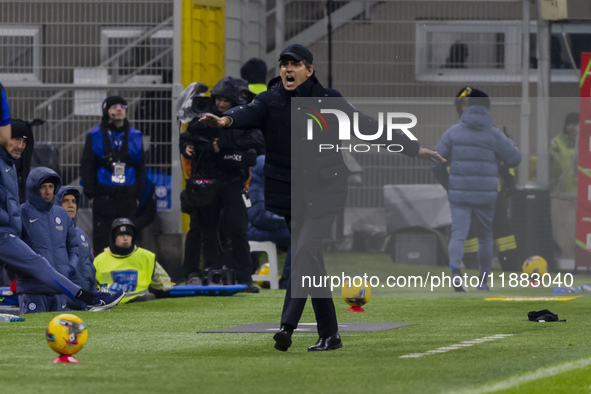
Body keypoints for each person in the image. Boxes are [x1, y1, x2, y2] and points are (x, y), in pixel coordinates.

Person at [200, 44, 445, 351]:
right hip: (291, 193)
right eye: (284, 64)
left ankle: (286, 326)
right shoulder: (269, 100)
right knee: (311, 260)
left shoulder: (329, 100)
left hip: (326, 191)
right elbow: (246, 113)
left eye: (295, 64)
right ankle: (330, 333)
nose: (288, 69)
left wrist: (414, 149)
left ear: (309, 70)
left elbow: (368, 127)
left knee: (303, 250)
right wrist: (225, 120)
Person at [0, 81, 124, 311]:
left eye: (23, 141)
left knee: (39, 264)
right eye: (14, 138)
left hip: (6, 235)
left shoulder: (9, 166)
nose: (18, 145)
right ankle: (89, 298)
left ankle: (87, 297)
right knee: (39, 263)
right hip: (4, 234)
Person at [432, 87, 522, 291]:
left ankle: (456, 274)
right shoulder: (495, 134)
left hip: (460, 194)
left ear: (467, 108)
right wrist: (510, 145)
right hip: (487, 196)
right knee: (485, 236)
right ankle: (483, 280)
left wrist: (449, 184)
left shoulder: (452, 132)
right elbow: (515, 159)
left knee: (458, 234)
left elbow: (435, 160)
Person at [180, 76, 263, 292]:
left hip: (232, 182)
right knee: (206, 230)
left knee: (237, 229)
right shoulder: (203, 113)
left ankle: (245, 278)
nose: (220, 104)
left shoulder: (245, 119)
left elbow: (253, 152)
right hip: (207, 182)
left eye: (225, 100)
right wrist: (187, 146)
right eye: (218, 99)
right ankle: (211, 275)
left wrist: (225, 149)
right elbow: (188, 137)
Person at [80, 95, 146, 255]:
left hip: (127, 196)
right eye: (114, 106)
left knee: (127, 238)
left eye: (122, 107)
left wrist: (137, 194)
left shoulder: (135, 135)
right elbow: (87, 165)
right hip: (104, 197)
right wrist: (91, 194)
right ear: (106, 111)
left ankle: (127, 274)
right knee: (102, 238)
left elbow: (140, 167)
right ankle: (102, 275)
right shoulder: (95, 135)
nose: (119, 109)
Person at [17, 167, 79, 314]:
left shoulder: (62, 214)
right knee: (31, 333)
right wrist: (24, 272)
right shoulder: (22, 212)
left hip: (59, 288)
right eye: (43, 187)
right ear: (33, 188)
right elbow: (12, 247)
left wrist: (70, 267)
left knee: (59, 334)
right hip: (33, 289)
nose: (48, 191)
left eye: (51, 187)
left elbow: (73, 245)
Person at [94, 218, 173, 303]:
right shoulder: (99, 260)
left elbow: (164, 285)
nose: (125, 238)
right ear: (113, 237)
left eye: (129, 234)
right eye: (121, 234)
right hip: (110, 304)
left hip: (142, 302)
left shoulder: (147, 257)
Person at [247, 155, 291, 289]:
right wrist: (286, 221)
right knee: (297, 237)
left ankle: (290, 278)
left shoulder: (266, 185)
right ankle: (288, 280)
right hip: (253, 230)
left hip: (263, 227)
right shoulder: (256, 187)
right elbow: (259, 216)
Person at [57, 186, 97, 311]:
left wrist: (93, 296)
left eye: (74, 202)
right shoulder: (53, 233)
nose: (71, 205)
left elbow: (91, 267)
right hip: (64, 303)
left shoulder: (82, 235)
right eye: (66, 201)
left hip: (85, 302)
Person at [550, 112, 579, 193]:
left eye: (574, 124)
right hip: (562, 185)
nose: (571, 127)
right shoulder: (556, 142)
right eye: (569, 124)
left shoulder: (586, 143)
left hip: (580, 186)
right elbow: (553, 166)